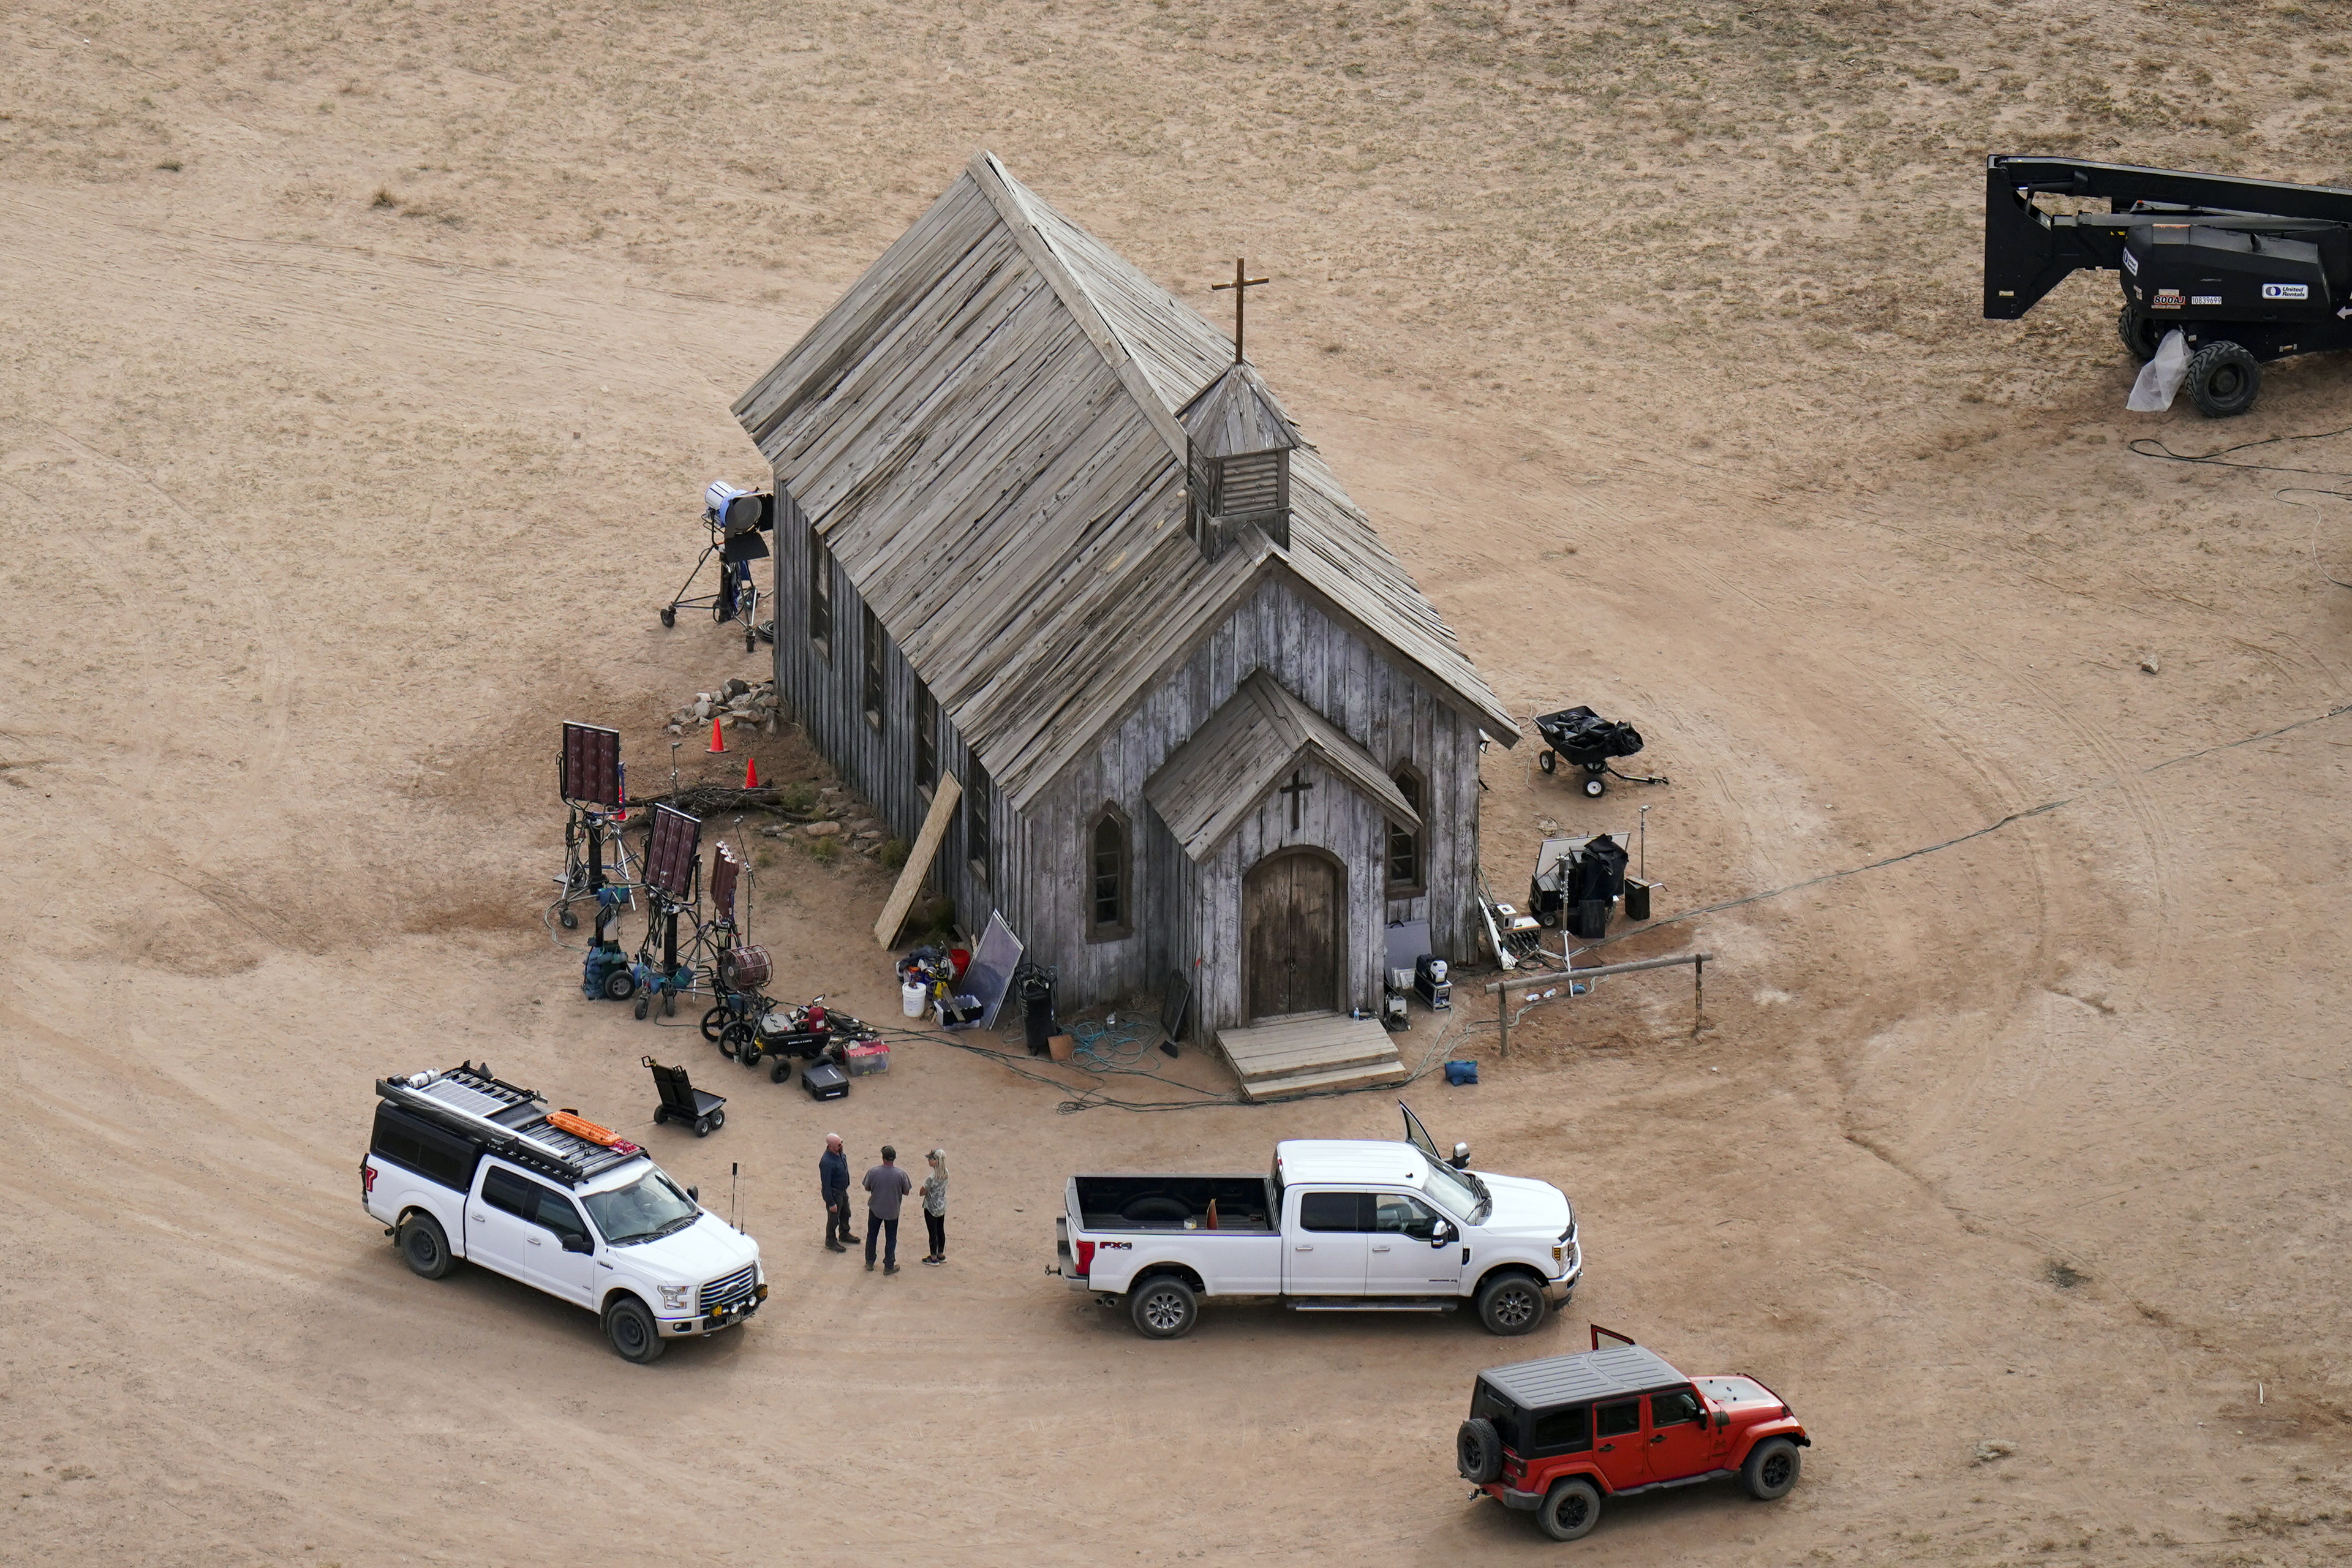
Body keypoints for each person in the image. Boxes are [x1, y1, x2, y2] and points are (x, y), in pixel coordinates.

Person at [862, 1144, 914, 1275]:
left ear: (883, 1157)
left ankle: (869, 1262)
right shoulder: (901, 1174)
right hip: (892, 1211)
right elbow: (906, 1192)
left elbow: (867, 1188)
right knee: (891, 1238)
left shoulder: (873, 1172)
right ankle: (889, 1265)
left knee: (872, 1235)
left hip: (875, 1209)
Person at [820, 1133, 856, 1253]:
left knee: (846, 1213)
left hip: (842, 1191)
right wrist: (831, 1202)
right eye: (837, 1145)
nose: (840, 1146)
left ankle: (844, 1233)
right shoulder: (827, 1162)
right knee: (834, 1218)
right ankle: (830, 1240)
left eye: (841, 1144)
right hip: (835, 1194)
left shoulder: (839, 1154)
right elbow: (826, 1184)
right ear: (830, 1146)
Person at [919, 1148, 948, 1265]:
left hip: (931, 1207)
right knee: (941, 1230)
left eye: (931, 1159)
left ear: (936, 1161)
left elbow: (922, 1192)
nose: (929, 1161)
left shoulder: (932, 1178)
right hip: (941, 1205)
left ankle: (934, 1257)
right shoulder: (946, 1173)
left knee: (933, 1232)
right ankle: (941, 1254)